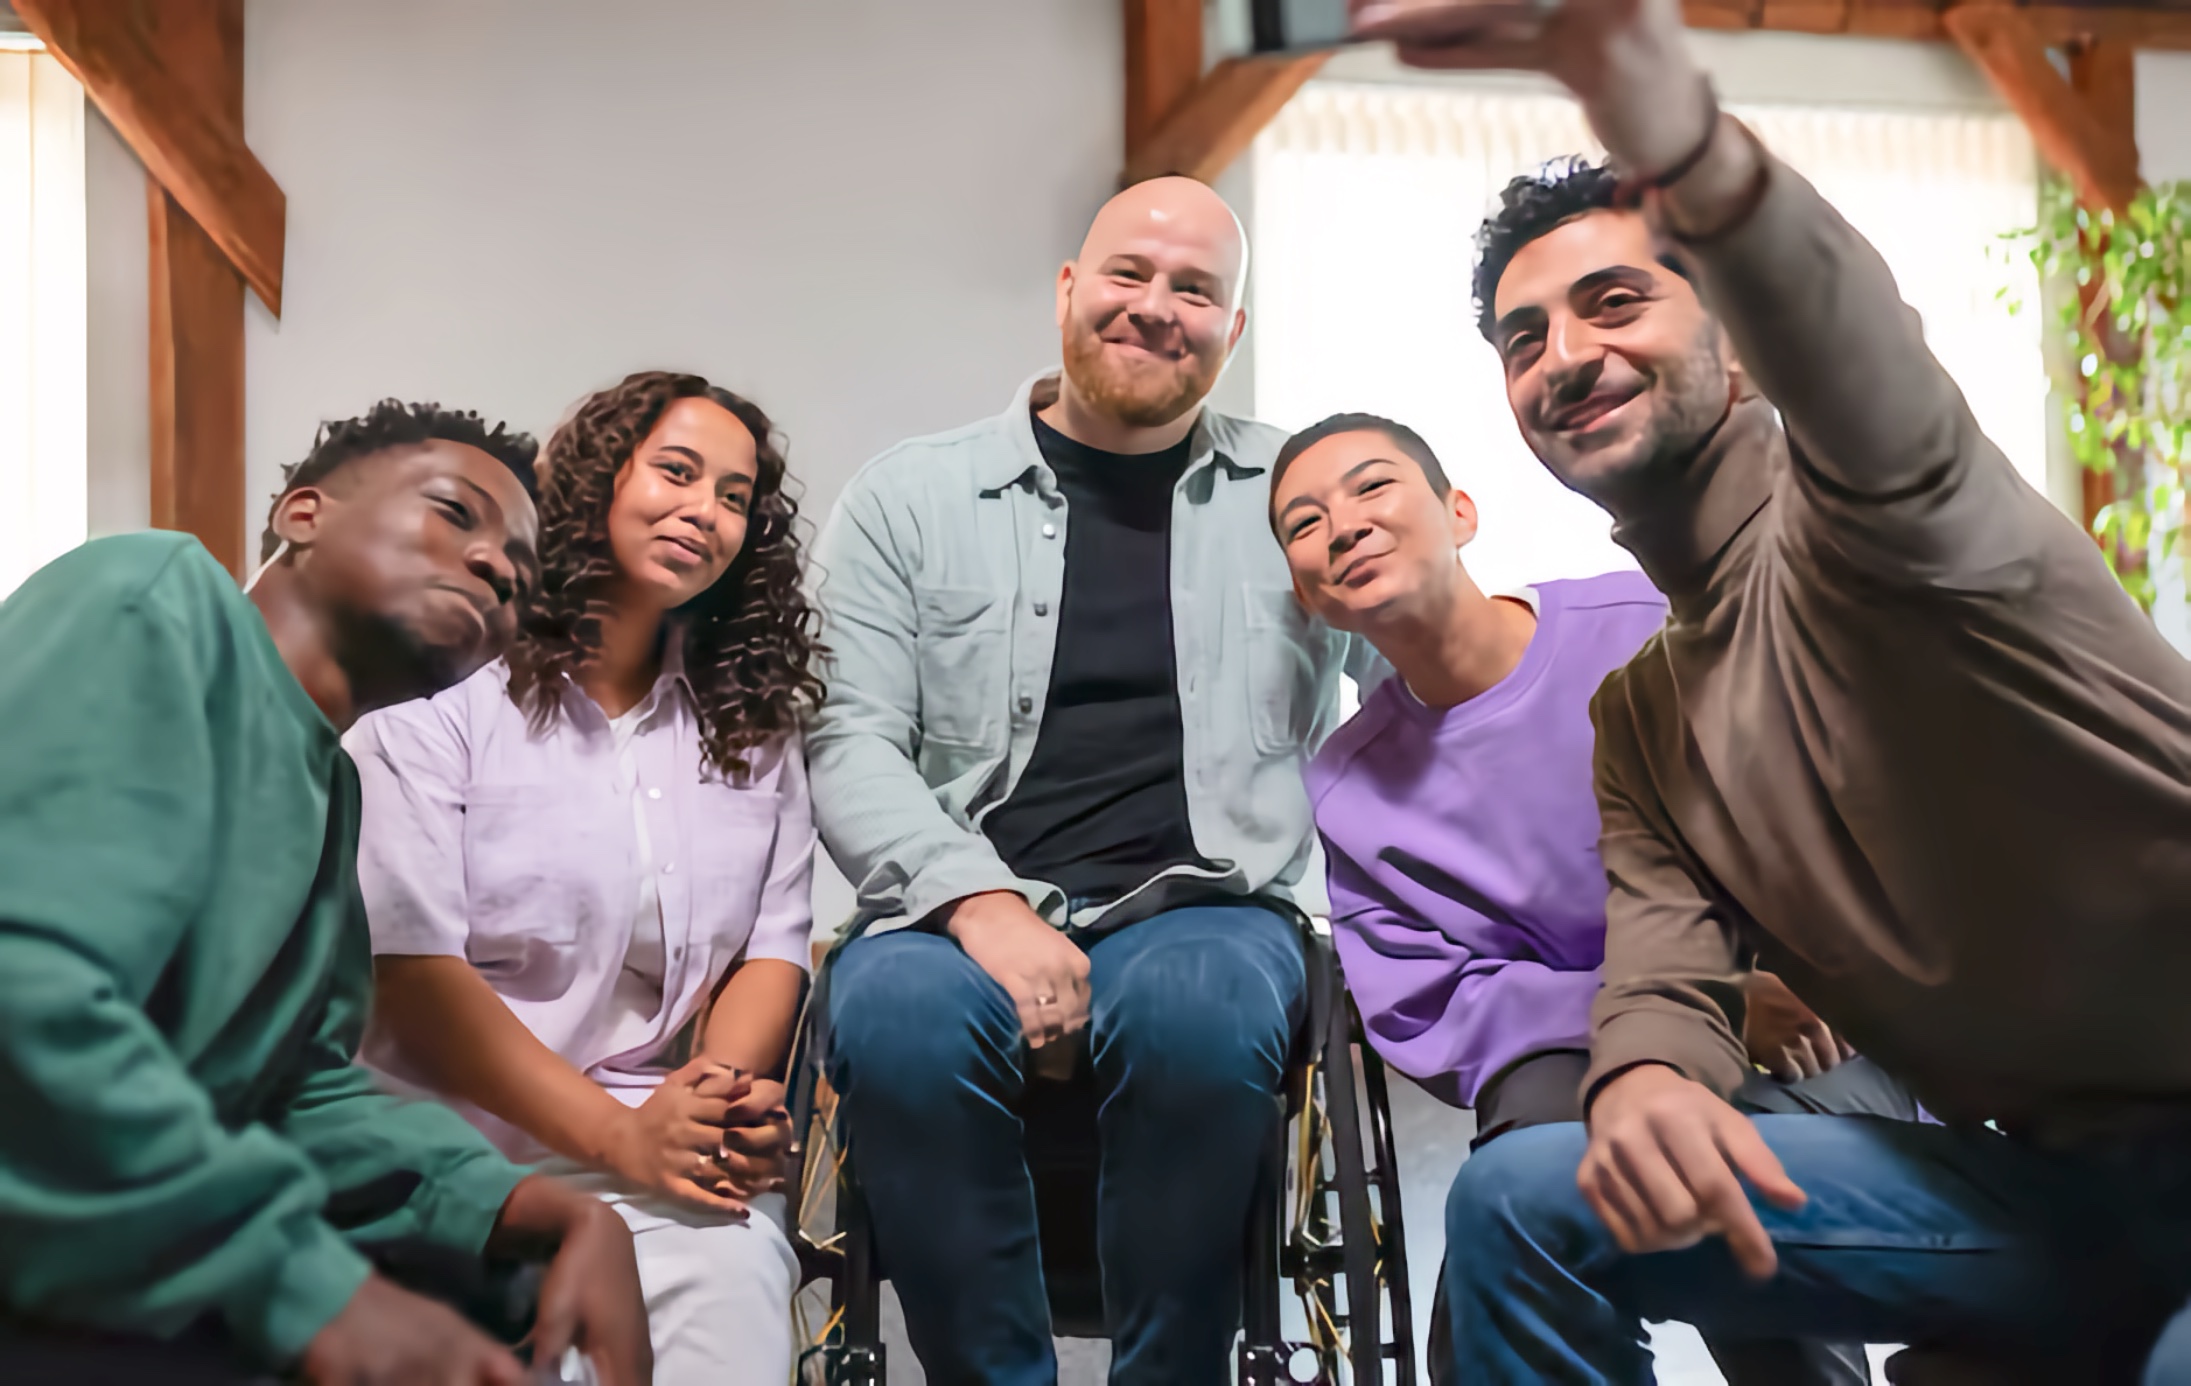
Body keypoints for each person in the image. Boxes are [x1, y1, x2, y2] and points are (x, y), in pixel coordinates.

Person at [1344, 0, 2191, 1378]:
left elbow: (1849, 337)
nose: (1563, 354)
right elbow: (1667, 972)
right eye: (1521, 339)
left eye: (1614, 300)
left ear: (1735, 343)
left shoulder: (1894, 517)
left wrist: (1661, 118)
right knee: (1516, 1201)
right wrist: (1646, 1077)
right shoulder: (1637, 718)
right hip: (2056, 1191)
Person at [807, 175, 1364, 1383]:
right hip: (951, 909)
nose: (1156, 307)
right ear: (1069, 289)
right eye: (1128, 274)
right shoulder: (908, 498)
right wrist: (979, 901)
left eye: (1196, 290)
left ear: (1233, 331)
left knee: (1199, 1015)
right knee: (893, 1016)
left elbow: (1429, 675)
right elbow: (846, 739)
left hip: (1207, 908)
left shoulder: (1298, 496)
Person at [0, 401, 653, 1386]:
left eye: (518, 580)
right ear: (303, 513)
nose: (495, 569)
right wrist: (303, 1288)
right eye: (455, 513)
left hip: (93, 1236)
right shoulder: (155, 598)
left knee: (492, 1292)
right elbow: (26, 988)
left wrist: (535, 1206)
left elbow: (292, 1088)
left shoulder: (328, 793)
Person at [1272, 412, 1918, 1385]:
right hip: (1569, 1072)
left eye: (1372, 487)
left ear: (1460, 511)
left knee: (1731, 1166)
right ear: (1305, 590)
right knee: (1521, 1173)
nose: (1344, 526)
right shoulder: (1348, 786)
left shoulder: (1647, 625)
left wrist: (1769, 985)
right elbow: (1435, 1006)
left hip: (1814, 1034)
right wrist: (1694, 1009)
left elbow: (1840, 818)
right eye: (1304, 522)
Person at [348, 372, 821, 1386]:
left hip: (652, 1135)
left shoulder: (753, 723)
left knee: (732, 1280)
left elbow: (773, 948)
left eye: (735, 497)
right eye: (679, 472)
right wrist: (622, 1138)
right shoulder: (441, 689)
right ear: (597, 479)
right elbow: (413, 976)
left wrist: (714, 1107)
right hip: (443, 1143)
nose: (706, 511)